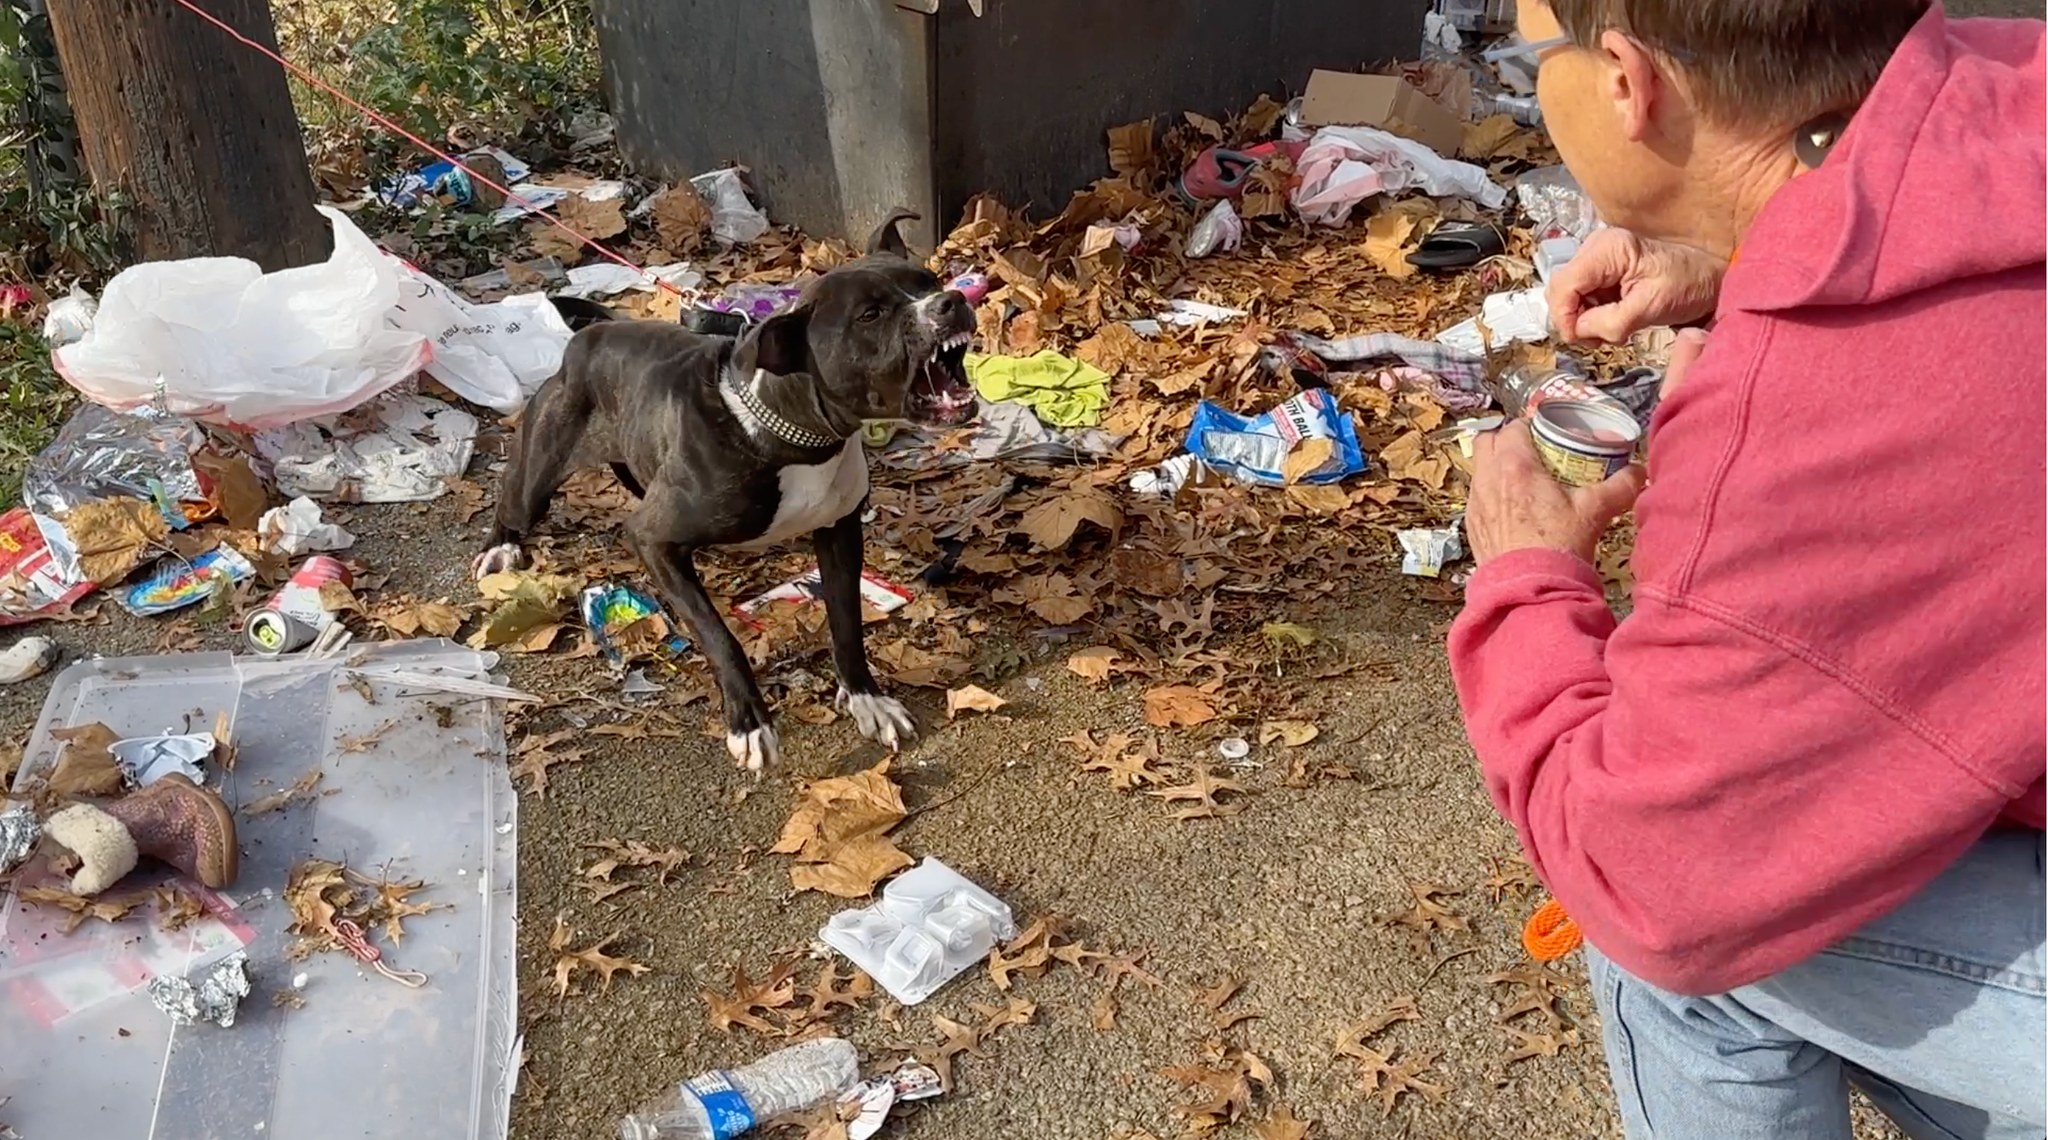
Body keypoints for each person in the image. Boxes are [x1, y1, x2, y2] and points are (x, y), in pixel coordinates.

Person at [1449, 2, 2047, 1137]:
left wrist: (1525, 575)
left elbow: (1657, 883)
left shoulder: (1788, 433)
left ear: (1626, 81)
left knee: (1673, 948)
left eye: (1543, 57)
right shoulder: (2018, 89)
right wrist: (1742, 256)